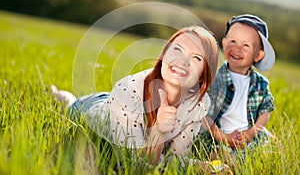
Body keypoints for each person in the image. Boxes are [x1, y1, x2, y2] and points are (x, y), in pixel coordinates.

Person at [51, 26, 220, 165]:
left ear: (203, 74)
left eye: (197, 58)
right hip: (93, 109)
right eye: (177, 49)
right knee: (68, 103)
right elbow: (136, 164)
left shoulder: (198, 104)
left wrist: (200, 166)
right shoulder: (127, 90)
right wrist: (158, 131)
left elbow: (175, 160)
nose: (183, 61)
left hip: (120, 107)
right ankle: (57, 93)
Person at [202, 14, 275, 165]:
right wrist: (221, 136)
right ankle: (227, 161)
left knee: (267, 151)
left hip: (247, 135)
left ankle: (244, 159)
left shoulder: (260, 84)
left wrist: (251, 132)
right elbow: (204, 114)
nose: (237, 49)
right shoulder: (214, 79)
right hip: (218, 134)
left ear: (258, 55)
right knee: (216, 155)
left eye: (246, 45)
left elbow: (265, 111)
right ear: (224, 42)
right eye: (233, 41)